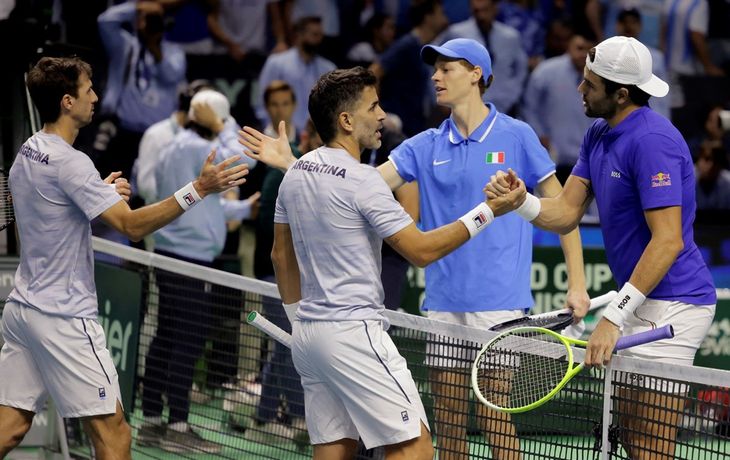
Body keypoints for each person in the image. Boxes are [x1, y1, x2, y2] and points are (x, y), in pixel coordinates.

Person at [240, 38, 590, 460]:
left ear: (476, 73)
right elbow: (351, 182)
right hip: (442, 301)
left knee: (497, 418)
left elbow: (563, 213)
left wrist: (578, 283)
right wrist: (294, 162)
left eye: (447, 69)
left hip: (500, 300)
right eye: (435, 69)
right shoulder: (424, 144)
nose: (435, 77)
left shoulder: (517, 135)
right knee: (447, 423)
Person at [271, 66, 525, 460]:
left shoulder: (297, 172)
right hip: (354, 334)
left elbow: (280, 256)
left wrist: (296, 317)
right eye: (373, 106)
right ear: (346, 120)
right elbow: (421, 251)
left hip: (309, 337)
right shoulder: (364, 180)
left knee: (334, 448)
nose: (382, 116)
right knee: (415, 447)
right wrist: (488, 211)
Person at [0, 56, 247, 459]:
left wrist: (97, 192)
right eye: (88, 90)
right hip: (64, 319)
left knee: (10, 426)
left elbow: (52, 208)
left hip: (24, 311)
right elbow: (132, 227)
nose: (96, 97)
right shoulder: (72, 164)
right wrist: (198, 189)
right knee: (114, 435)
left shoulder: (30, 150)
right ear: (67, 101)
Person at [486, 36, 717, 460]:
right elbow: (566, 212)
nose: (580, 89)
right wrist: (522, 202)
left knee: (651, 441)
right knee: (632, 435)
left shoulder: (653, 142)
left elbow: (668, 241)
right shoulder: (598, 133)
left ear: (622, 94)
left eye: (590, 84)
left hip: (676, 305)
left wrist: (613, 316)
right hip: (641, 299)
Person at [140, 89, 258, 453]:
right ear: (210, 119)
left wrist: (240, 211)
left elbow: (200, 206)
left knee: (166, 336)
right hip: (191, 262)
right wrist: (223, 125)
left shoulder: (172, 150)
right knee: (187, 342)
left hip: (171, 256)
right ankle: (178, 425)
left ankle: (152, 422)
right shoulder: (195, 149)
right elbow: (244, 161)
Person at [521, 30, 595, 182]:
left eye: (589, 51)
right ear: (569, 46)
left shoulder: (600, 77)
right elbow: (529, 106)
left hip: (586, 156)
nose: (583, 55)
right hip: (550, 153)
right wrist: (539, 134)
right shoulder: (546, 71)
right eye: (580, 48)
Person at [256, 16, 336, 134]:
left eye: (320, 35)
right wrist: (273, 131)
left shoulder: (329, 68)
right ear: (299, 35)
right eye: (314, 34)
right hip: (281, 133)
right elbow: (262, 100)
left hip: (315, 136)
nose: (318, 39)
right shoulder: (276, 63)